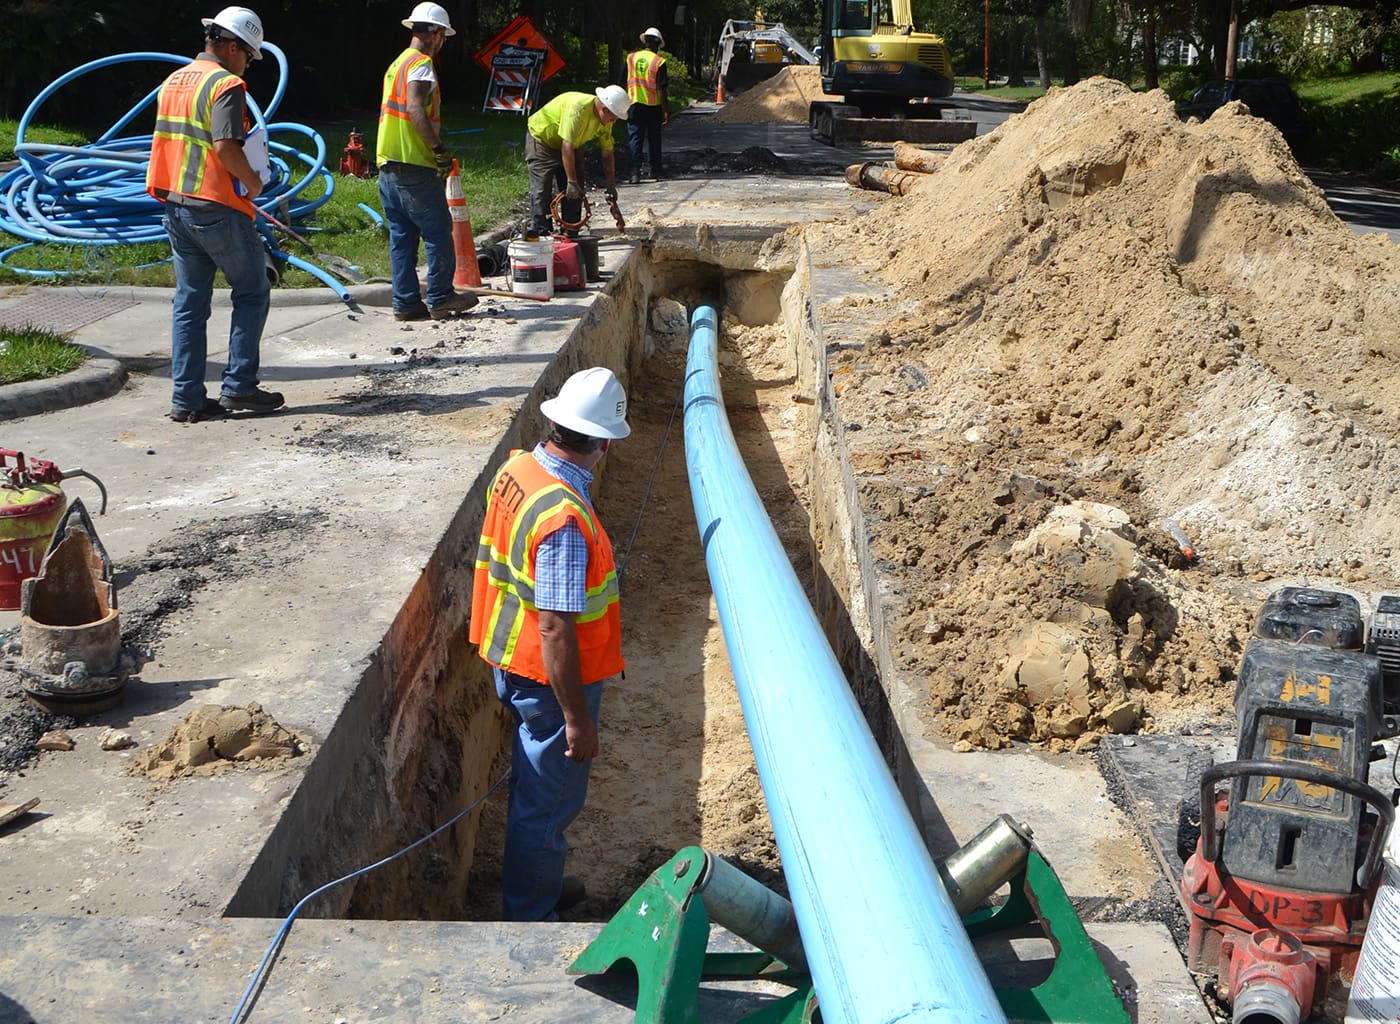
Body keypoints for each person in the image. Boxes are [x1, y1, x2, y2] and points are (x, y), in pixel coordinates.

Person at [469, 367, 630, 921]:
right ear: (604, 442)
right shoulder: (562, 519)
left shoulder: (519, 468)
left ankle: (536, 886)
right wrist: (577, 720)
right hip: (548, 679)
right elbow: (556, 627)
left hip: (511, 660)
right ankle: (531, 916)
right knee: (548, 805)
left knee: (535, 790)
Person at [147, 6, 284, 423]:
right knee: (252, 290)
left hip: (177, 206)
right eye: (247, 55)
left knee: (190, 303)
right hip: (215, 206)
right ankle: (240, 386)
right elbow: (226, 148)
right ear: (230, 46)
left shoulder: (175, 80)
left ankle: (186, 399)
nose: (248, 64)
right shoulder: (225, 84)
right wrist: (255, 183)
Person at [376, 2, 478, 322]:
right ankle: (440, 297)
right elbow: (416, 109)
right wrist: (438, 149)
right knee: (437, 232)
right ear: (435, 35)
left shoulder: (397, 63)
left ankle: (406, 303)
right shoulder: (420, 64)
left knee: (402, 237)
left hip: (387, 164)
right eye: (443, 36)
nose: (443, 43)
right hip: (415, 165)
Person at [524, 87, 630, 238]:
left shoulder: (605, 121)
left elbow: (607, 153)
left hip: (572, 144)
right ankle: (540, 234)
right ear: (604, 109)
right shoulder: (578, 109)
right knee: (541, 189)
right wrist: (571, 181)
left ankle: (570, 231)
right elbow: (566, 145)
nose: (615, 121)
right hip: (542, 140)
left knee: (577, 191)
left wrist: (611, 185)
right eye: (614, 117)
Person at [624, 28, 669, 184]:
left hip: (634, 104)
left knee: (635, 139)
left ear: (645, 41)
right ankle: (655, 170)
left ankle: (634, 173)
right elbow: (662, 88)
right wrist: (665, 110)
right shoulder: (659, 62)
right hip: (653, 106)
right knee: (654, 139)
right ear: (657, 44)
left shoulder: (631, 58)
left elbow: (621, 81)